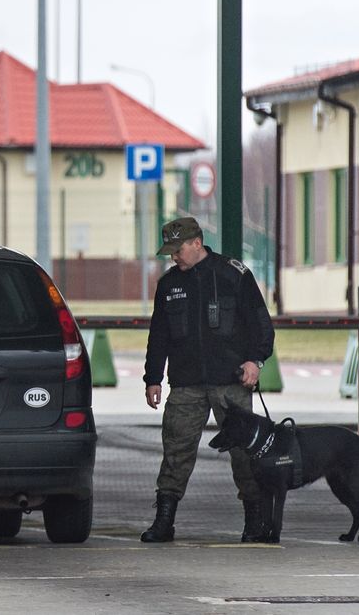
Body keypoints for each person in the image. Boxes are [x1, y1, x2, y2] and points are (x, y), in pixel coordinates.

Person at [140, 216, 275, 543]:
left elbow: (261, 325)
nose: (173, 257)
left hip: (231, 382)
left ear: (196, 243)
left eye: (177, 249)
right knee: (176, 451)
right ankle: (164, 521)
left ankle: (255, 522)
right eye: (170, 252)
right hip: (186, 384)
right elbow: (158, 335)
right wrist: (153, 378)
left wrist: (256, 360)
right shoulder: (169, 285)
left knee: (245, 453)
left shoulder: (233, 275)